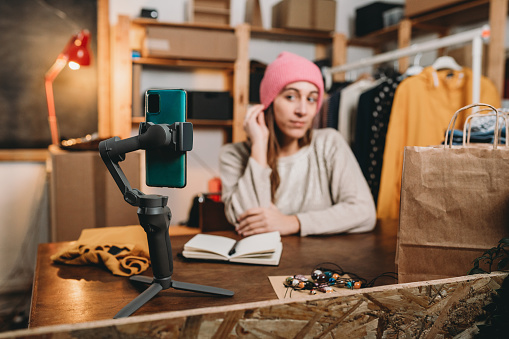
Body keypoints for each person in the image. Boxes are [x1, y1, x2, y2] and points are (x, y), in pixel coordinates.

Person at [219, 52, 376, 237]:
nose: (302, 111)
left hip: (321, 261)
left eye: (311, 99)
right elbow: (246, 220)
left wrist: (293, 222)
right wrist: (259, 146)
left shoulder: (329, 143)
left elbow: (364, 212)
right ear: (269, 103)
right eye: (291, 97)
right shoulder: (233, 155)